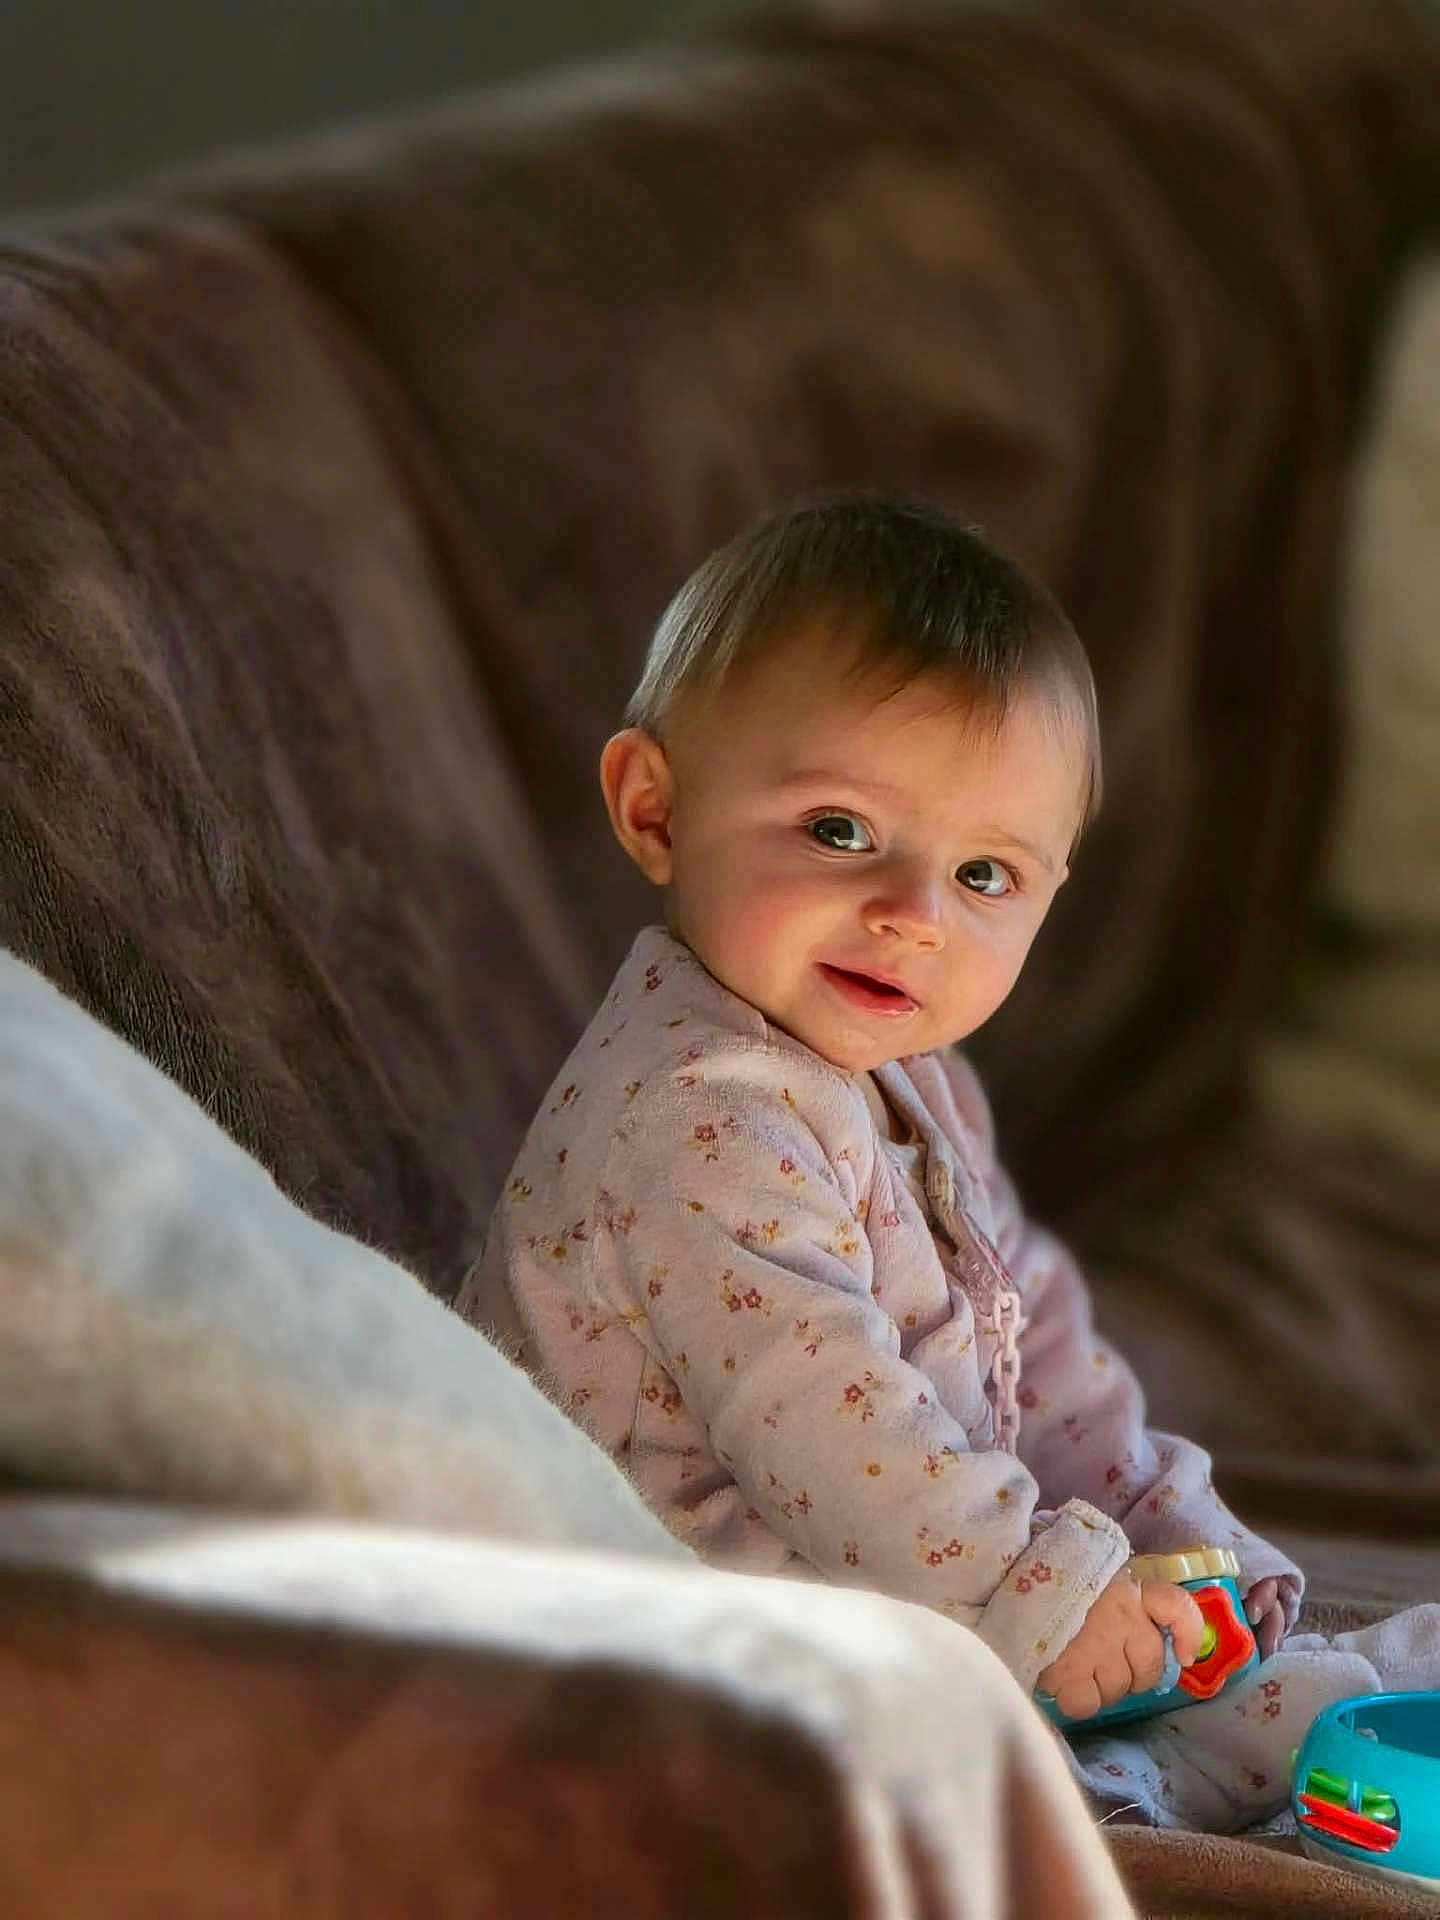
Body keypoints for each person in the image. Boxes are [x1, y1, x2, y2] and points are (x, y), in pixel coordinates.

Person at [459, 493, 1437, 1831]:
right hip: (708, 1646)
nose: (912, 918)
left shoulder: (910, 1081)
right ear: (655, 808)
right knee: (1157, 1760)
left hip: (907, 1585)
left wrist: (1172, 1535)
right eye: (842, 831)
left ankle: (1295, 1728)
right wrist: (1031, 1593)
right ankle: (1209, 1777)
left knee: (1253, 1685)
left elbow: (1032, 1342)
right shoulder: (695, 1118)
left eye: (984, 876)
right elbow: (832, 1419)